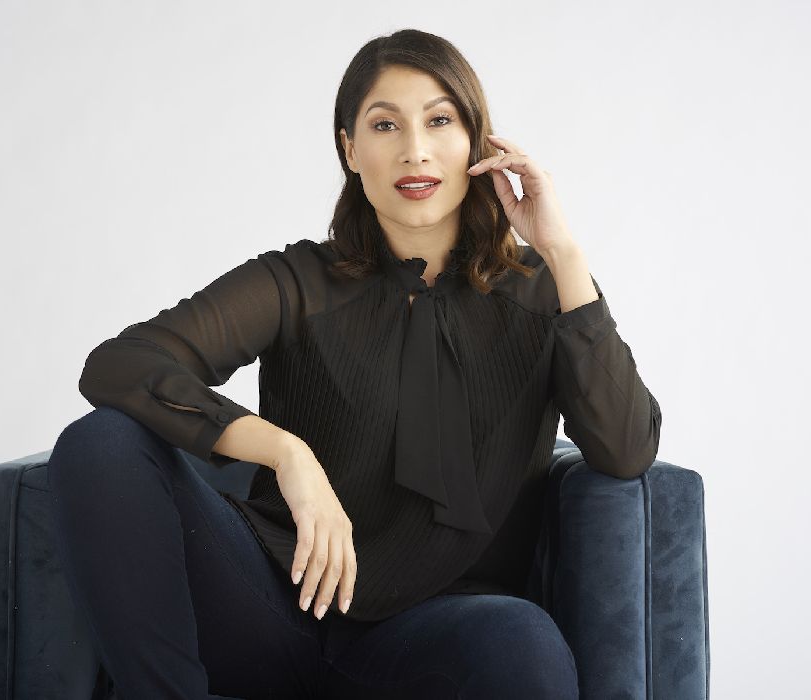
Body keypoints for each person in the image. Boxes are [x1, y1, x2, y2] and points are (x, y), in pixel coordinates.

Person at [47, 27, 661, 700]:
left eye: (439, 120)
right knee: (102, 441)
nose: (414, 149)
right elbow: (119, 364)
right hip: (270, 605)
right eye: (384, 125)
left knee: (523, 643)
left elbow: (625, 449)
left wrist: (562, 251)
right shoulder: (300, 280)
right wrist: (286, 454)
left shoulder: (541, 291)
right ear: (349, 149)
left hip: (437, 634)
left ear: (477, 142)